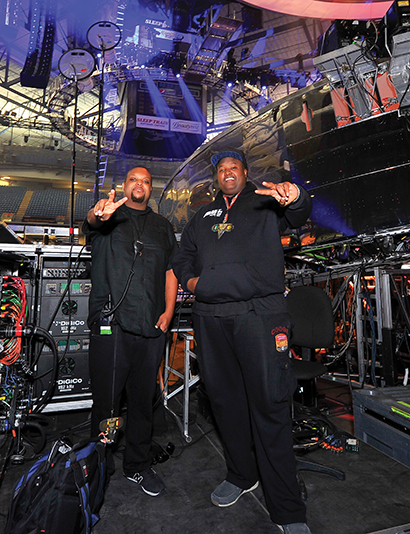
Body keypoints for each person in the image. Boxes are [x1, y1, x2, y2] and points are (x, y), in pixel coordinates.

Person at [172, 149, 312, 534]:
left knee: (270, 405)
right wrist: (192, 283)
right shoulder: (202, 215)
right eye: (221, 169)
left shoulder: (266, 202)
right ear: (217, 177)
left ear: (245, 173)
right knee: (225, 403)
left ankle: (287, 509)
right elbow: (182, 257)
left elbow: (300, 213)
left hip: (259, 316)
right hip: (211, 319)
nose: (227, 173)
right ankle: (240, 474)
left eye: (234, 168)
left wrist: (295, 196)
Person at [83, 166, 178, 497]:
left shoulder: (163, 226)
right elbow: (93, 224)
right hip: (113, 326)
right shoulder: (109, 216)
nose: (140, 185)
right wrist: (98, 214)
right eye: (133, 180)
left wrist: (168, 312)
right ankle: (100, 463)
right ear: (124, 185)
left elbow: (170, 272)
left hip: (151, 326)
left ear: (151, 189)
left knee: (142, 402)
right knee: (107, 403)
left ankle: (137, 464)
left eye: (146, 181)